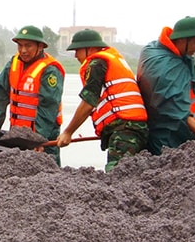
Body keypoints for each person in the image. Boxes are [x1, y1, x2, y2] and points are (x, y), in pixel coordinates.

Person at [57, 29, 149, 171]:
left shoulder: (97, 63)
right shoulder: (114, 60)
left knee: (117, 174)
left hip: (124, 129)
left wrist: (68, 132)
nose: (75, 56)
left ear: (91, 48)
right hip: (134, 128)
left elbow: (88, 102)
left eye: (78, 50)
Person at [137, 16, 195, 155]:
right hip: (166, 138)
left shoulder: (156, 49)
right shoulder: (167, 67)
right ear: (182, 40)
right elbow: (177, 111)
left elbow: (176, 98)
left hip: (172, 129)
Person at [0, 25, 65, 164]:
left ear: (40, 46)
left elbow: (48, 106)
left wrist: (39, 139)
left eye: (28, 46)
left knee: (48, 174)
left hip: (44, 135)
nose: (23, 50)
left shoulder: (50, 69)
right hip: (16, 134)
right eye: (20, 45)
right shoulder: (13, 63)